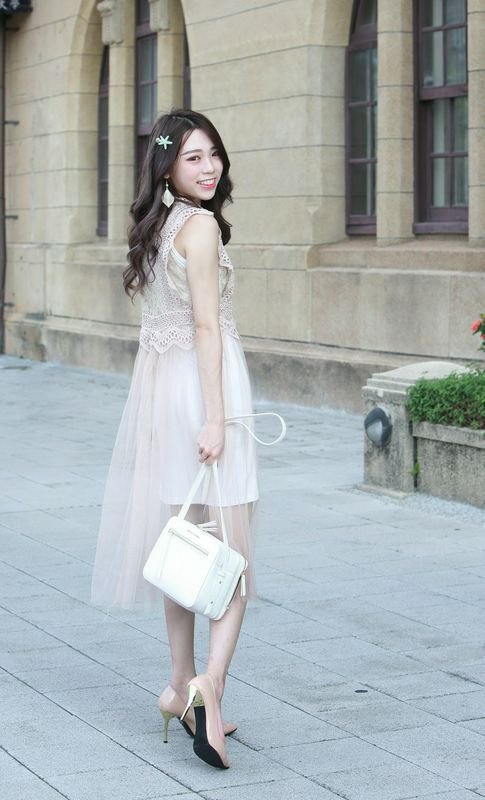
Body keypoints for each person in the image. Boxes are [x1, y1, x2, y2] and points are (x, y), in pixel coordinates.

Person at [91, 109, 259, 770]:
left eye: (213, 153)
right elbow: (206, 328)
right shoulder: (202, 227)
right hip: (205, 393)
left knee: (185, 545)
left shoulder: (160, 226)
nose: (209, 167)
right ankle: (208, 686)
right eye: (192, 157)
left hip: (166, 397)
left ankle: (177, 683)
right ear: (166, 167)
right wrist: (216, 417)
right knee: (230, 555)